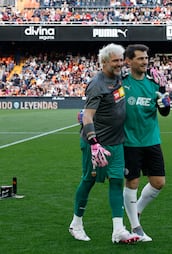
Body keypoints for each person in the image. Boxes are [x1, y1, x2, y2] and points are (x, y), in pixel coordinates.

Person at [68, 43, 139, 244]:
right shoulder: (97, 84)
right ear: (104, 62)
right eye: (116, 60)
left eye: (121, 60)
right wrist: (94, 143)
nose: (120, 64)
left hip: (117, 143)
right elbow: (88, 117)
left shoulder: (118, 78)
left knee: (117, 181)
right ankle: (76, 224)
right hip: (97, 145)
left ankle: (118, 230)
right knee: (88, 181)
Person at [122, 44, 171, 242]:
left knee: (158, 183)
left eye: (146, 58)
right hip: (129, 142)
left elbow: (165, 111)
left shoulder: (155, 84)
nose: (145, 61)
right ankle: (135, 227)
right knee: (132, 183)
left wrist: (164, 103)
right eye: (140, 58)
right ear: (129, 61)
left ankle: (137, 211)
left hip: (151, 140)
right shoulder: (121, 83)